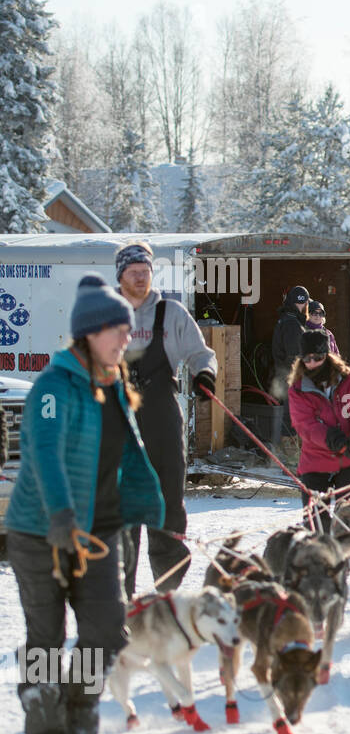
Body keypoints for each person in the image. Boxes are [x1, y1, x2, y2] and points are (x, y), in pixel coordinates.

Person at [5, 274, 164, 734]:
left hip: (100, 529)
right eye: (117, 330)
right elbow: (44, 454)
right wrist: (60, 515)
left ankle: (80, 701)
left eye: (128, 330)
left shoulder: (112, 384)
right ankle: (44, 732)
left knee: (107, 630)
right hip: (42, 531)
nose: (126, 339)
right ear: (89, 333)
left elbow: (128, 455)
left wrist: (156, 505)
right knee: (46, 638)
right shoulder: (53, 387)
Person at [114, 242, 217, 595]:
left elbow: (201, 354)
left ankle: (167, 590)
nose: (140, 278)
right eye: (133, 272)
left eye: (145, 271)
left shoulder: (170, 313)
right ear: (121, 276)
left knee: (167, 503)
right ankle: (119, 596)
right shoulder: (107, 314)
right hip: (117, 422)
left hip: (161, 419)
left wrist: (205, 374)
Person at [287, 329, 350, 532]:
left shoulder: (349, 383)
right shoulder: (299, 390)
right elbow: (306, 425)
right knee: (317, 526)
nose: (313, 363)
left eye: (318, 357)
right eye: (307, 359)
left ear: (328, 355)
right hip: (316, 460)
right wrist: (331, 437)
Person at [271, 285, 310, 401]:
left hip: (284, 378)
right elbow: (294, 357)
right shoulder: (292, 324)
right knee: (291, 416)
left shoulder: (285, 319)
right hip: (291, 380)